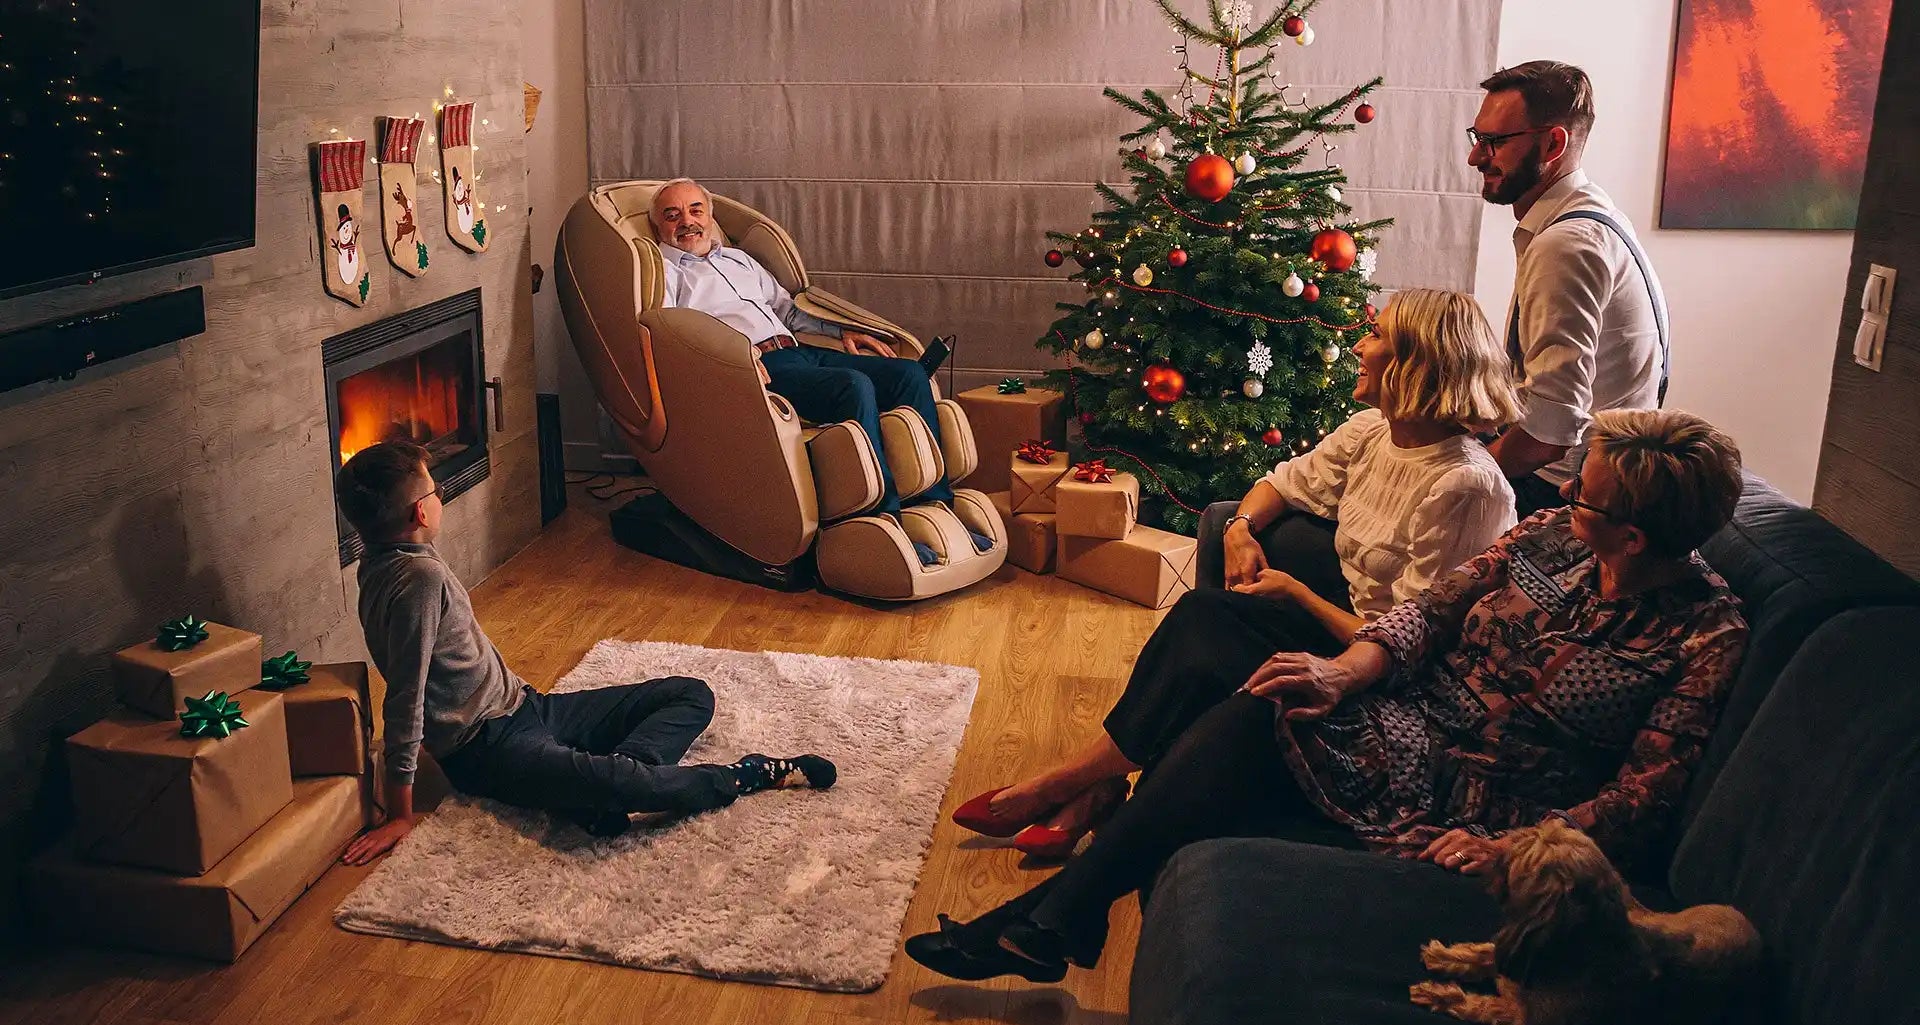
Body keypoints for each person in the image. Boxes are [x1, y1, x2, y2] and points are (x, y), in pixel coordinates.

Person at [909, 410, 1748, 983]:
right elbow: (1432, 609)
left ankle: (1054, 917)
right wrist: (1346, 670)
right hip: (1407, 708)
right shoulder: (1553, 537)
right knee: (1246, 652)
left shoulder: (1702, 636)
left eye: (1582, 495)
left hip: (1482, 794)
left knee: (1254, 710)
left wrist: (1522, 845)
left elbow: (1646, 793)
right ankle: (1060, 913)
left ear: (1634, 535)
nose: (1562, 499)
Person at [950, 288, 1520, 857]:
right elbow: (1285, 481)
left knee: (1208, 627)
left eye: (1376, 337)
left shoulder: (1463, 486)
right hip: (1343, 622)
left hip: (1382, 669)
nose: (1358, 346)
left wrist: (1294, 593)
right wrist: (1241, 527)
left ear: (1414, 364)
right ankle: (1092, 785)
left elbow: (1412, 641)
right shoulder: (1372, 431)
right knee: (1204, 615)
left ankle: (1071, 783)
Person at [336, 441, 837, 865]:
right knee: (637, 787)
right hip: (488, 749)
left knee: (689, 694)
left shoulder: (383, 559)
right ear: (420, 513)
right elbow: (405, 697)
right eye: (435, 490)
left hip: (526, 707)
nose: (440, 495)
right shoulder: (417, 579)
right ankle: (742, 776)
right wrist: (400, 813)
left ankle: (610, 784)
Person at [648, 178, 985, 565]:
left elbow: (788, 311)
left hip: (797, 349)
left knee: (909, 374)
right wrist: (733, 358)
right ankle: (884, 518)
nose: (687, 222)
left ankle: (936, 506)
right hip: (759, 368)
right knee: (853, 387)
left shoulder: (737, 259)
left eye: (695, 210)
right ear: (659, 226)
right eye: (672, 216)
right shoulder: (665, 273)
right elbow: (673, 334)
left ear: (710, 216)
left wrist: (842, 330)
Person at [1471, 61, 1670, 514]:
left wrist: (1466, 474)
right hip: (1581, 469)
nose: (1476, 157)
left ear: (1554, 142)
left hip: (1565, 493)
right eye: (1477, 138)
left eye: (1494, 142)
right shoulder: (1591, 215)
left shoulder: (1565, 244)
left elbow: (1548, 434)